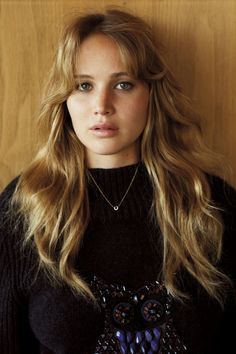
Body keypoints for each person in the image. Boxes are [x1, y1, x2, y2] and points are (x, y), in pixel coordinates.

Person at [0, 8, 235, 354]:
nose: (102, 105)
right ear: (64, 99)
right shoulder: (26, 207)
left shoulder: (211, 204)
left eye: (123, 84)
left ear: (151, 94)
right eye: (83, 86)